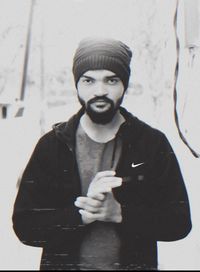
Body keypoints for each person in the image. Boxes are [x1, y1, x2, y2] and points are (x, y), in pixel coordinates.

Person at [12, 37, 192, 270]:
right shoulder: (51, 146)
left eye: (111, 80)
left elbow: (178, 223)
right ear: (77, 84)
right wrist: (79, 216)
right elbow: (25, 227)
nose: (100, 91)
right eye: (88, 80)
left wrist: (120, 214)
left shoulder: (151, 144)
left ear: (124, 84)